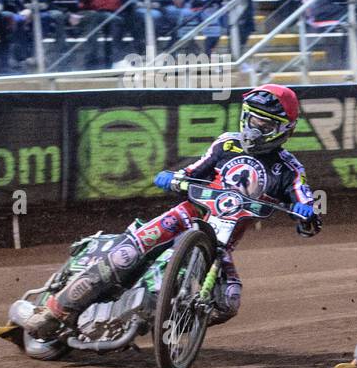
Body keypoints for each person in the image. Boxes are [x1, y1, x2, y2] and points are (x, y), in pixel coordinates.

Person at [23, 85, 321, 340]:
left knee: (229, 301)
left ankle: (173, 326)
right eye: (252, 120)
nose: (255, 129)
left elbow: (305, 201)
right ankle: (54, 311)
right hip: (185, 214)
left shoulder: (290, 169)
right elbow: (194, 170)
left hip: (221, 242)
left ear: (284, 129)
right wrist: (173, 176)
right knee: (125, 254)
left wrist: (306, 213)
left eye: (265, 125)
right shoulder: (226, 143)